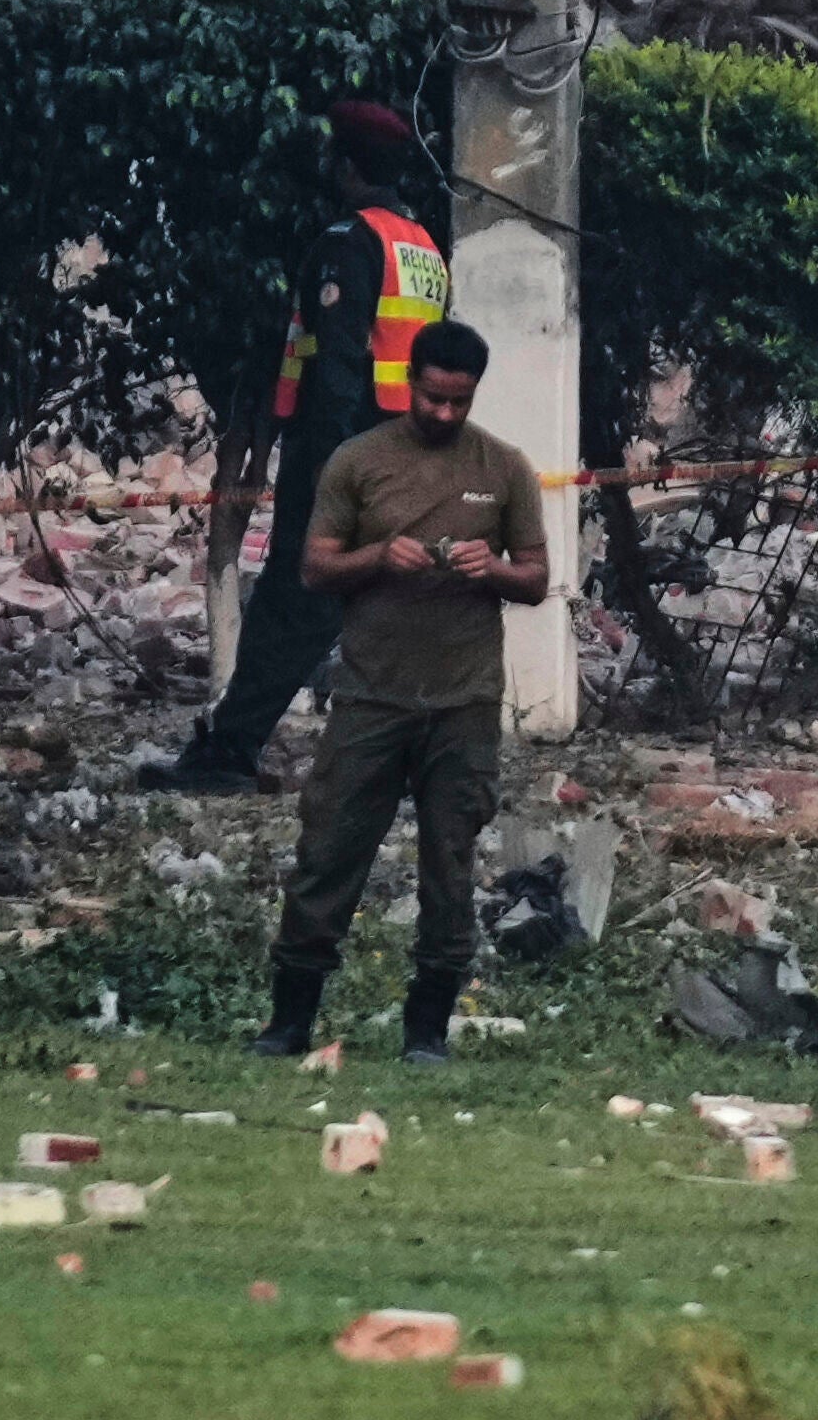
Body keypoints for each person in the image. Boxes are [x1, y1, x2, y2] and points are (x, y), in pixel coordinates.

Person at [251, 314, 547, 1063]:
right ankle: (290, 1021)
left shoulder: (506, 466)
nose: (445, 413)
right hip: (371, 694)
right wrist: (381, 555)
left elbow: (538, 578)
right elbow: (315, 567)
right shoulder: (359, 460)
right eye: (434, 398)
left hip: (463, 701)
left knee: (450, 864)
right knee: (329, 851)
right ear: (410, 380)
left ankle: (428, 1030)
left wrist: (495, 568)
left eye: (460, 401)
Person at [157, 100, 452, 794]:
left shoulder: (349, 244)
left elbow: (338, 366)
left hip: (343, 452)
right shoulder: (425, 248)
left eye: (334, 160)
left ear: (348, 167)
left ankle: (231, 749)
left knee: (298, 598)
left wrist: (325, 465)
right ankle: (415, 760)